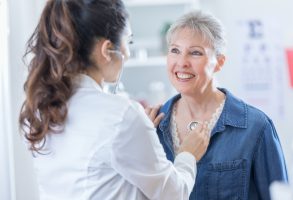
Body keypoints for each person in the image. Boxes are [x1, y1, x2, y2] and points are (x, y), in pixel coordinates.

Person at [19, 1, 210, 199]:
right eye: (129, 42)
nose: (127, 54)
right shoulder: (121, 116)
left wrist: (140, 138)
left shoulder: (40, 108)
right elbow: (174, 194)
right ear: (107, 50)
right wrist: (187, 154)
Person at [156, 10, 288, 200]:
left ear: (219, 62)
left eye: (195, 53)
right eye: (175, 50)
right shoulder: (152, 126)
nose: (182, 62)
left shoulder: (256, 127)